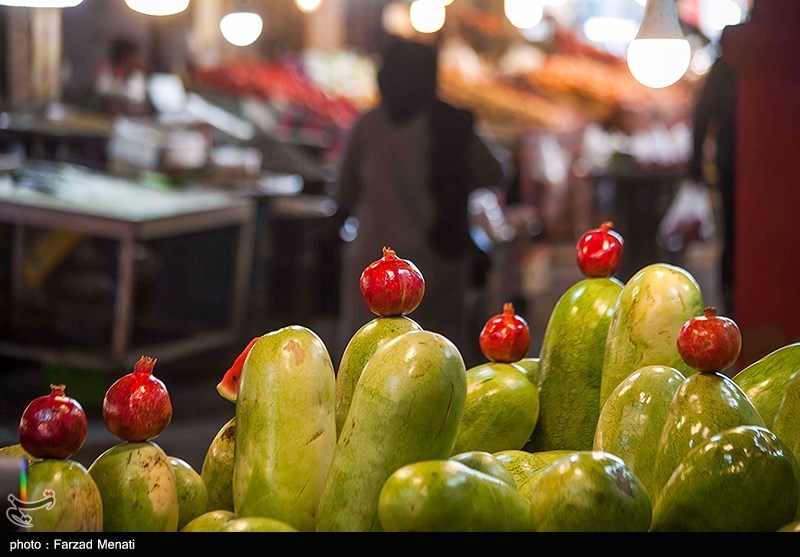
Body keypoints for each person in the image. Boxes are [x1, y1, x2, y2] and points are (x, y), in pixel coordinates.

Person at [335, 40, 505, 356]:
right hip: (437, 263)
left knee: (368, 357)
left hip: (375, 263)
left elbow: (343, 194)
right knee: (433, 358)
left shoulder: (368, 125)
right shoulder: (451, 125)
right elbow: (496, 173)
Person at [690, 53, 736, 314]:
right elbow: (704, 111)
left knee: (729, 236)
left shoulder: (726, 62)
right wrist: (695, 160)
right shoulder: (727, 62)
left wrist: (695, 161)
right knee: (730, 235)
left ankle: (729, 297)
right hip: (731, 165)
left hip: (730, 163)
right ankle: (728, 299)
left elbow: (703, 111)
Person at [92, 37, 149, 115]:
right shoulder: (105, 69)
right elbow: (100, 91)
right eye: (134, 56)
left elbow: (137, 98)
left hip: (130, 117)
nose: (137, 60)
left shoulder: (136, 75)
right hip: (102, 115)